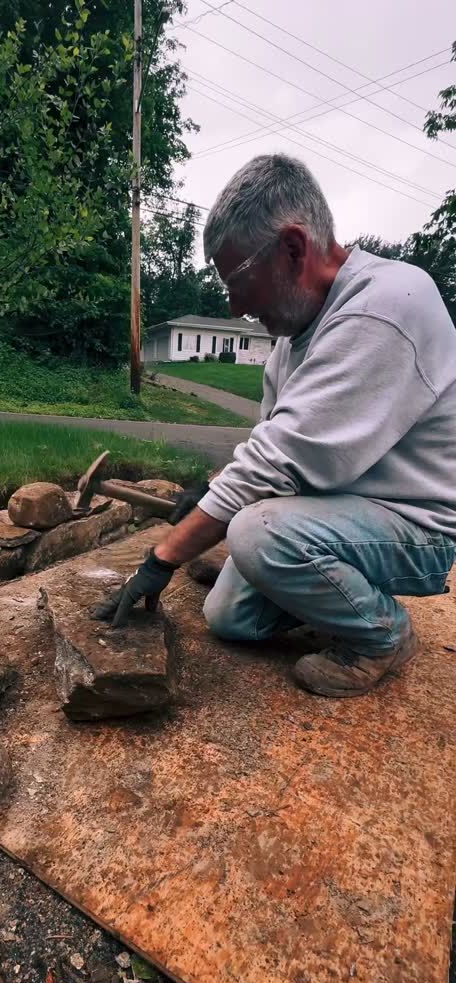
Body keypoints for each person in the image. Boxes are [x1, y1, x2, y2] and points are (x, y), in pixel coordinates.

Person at [96, 154, 456, 698]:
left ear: (293, 248)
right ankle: (330, 591)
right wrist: (210, 493)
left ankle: (384, 634)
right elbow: (269, 449)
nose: (236, 305)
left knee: (256, 534)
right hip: (338, 510)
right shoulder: (288, 344)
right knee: (229, 618)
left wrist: (164, 555)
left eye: (237, 280)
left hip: (414, 527)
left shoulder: (387, 306)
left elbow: (275, 466)